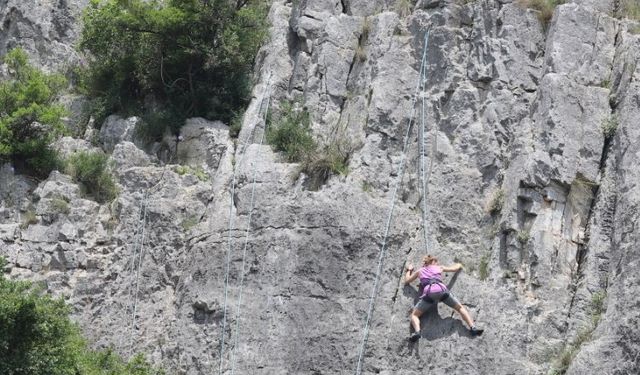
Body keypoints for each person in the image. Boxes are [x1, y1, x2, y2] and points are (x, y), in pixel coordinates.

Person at [404, 255, 483, 342]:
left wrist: (409, 270)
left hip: (429, 294)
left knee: (414, 315)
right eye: (436, 261)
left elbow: (407, 281)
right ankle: (473, 327)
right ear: (433, 261)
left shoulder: (420, 271)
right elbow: (454, 269)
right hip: (442, 291)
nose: (438, 263)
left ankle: (417, 332)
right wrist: (459, 265)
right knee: (460, 308)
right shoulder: (439, 267)